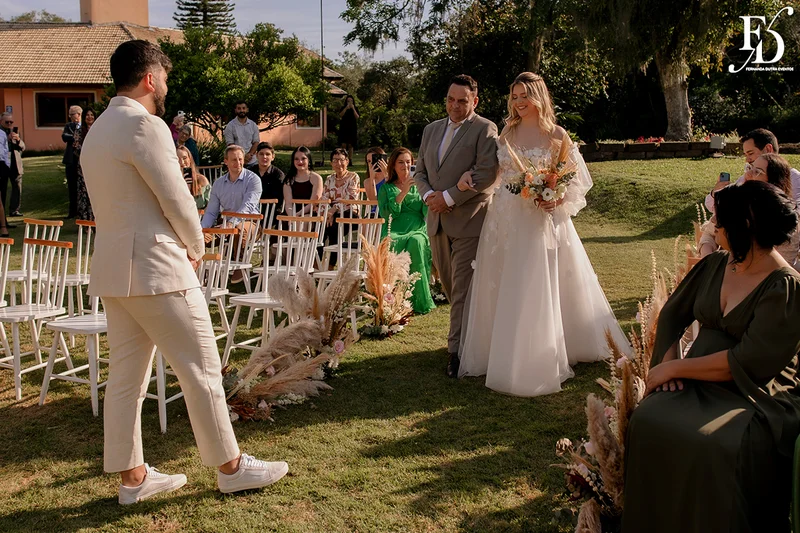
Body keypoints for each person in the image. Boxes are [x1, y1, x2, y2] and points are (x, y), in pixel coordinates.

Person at [80, 40, 287, 505]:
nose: (167, 86)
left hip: (115, 271)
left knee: (126, 380)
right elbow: (176, 198)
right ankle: (231, 468)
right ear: (150, 78)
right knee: (202, 369)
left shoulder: (95, 132)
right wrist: (196, 247)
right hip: (159, 268)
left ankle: (133, 478)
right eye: (165, 77)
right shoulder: (144, 126)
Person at [623, 180, 800, 533]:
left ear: (744, 225)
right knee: (647, 420)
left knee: (712, 443)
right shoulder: (716, 264)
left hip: (753, 392)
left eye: (719, 222)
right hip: (692, 377)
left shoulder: (786, 286)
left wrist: (676, 367)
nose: (713, 228)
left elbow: (747, 362)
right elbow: (673, 314)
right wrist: (666, 366)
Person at [457, 72, 628, 396]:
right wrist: (470, 176)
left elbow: (575, 179)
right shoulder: (507, 131)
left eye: (525, 96)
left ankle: (543, 351)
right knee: (506, 281)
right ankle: (503, 349)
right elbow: (499, 175)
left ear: (539, 97)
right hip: (505, 218)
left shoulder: (556, 135)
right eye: (515, 97)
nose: (519, 103)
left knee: (540, 281)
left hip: (541, 218)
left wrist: (557, 196)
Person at [414, 74, 499, 378]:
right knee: (451, 288)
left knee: (462, 289)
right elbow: (420, 171)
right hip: (435, 221)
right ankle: (470, 338)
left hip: (469, 222)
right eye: (451, 99)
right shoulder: (431, 130)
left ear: (475, 101)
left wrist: (449, 198)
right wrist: (429, 197)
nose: (455, 105)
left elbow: (487, 174)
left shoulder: (485, 129)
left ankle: (456, 354)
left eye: (463, 100)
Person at [700, 153, 800, 268]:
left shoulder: (786, 219)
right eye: (749, 167)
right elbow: (709, 233)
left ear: (774, 183)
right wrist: (707, 260)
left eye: (757, 171)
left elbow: (781, 267)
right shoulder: (736, 204)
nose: (748, 174)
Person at [379, 147, 436, 314]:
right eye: (401, 162)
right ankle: (395, 299)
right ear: (394, 165)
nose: (405, 166)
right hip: (394, 228)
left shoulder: (420, 185)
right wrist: (403, 192)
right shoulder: (387, 188)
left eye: (409, 162)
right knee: (393, 241)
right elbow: (388, 213)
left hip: (417, 227)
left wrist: (427, 197)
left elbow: (426, 211)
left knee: (416, 241)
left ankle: (419, 300)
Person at [201, 145, 262, 282]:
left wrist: (231, 223)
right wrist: (203, 229)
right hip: (225, 224)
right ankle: (200, 271)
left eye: (240, 159)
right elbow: (211, 211)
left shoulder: (253, 180)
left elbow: (247, 207)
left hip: (250, 222)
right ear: (226, 161)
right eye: (234, 160)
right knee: (200, 237)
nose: (238, 163)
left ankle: (239, 264)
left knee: (238, 229)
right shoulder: (218, 183)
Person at [705, 128, 800, 213]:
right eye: (746, 155)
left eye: (750, 153)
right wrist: (716, 193)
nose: (747, 159)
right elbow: (712, 206)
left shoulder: (794, 177)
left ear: (768, 149)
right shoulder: (748, 176)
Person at [322, 148, 360, 267]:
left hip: (349, 213)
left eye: (341, 160)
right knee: (320, 227)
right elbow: (324, 197)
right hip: (332, 214)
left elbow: (351, 198)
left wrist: (333, 210)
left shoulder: (353, 177)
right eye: (335, 160)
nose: (339, 163)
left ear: (347, 161)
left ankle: (331, 264)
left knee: (334, 227)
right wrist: (328, 212)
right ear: (331, 163)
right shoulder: (329, 179)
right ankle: (317, 263)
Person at [246, 141, 285, 223]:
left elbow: (280, 201)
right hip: (250, 212)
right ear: (256, 155)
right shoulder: (249, 173)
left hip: (270, 214)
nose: (264, 157)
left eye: (267, 154)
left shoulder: (278, 175)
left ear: (273, 157)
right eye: (261, 154)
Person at [282, 146, 323, 216]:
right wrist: (291, 217)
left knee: (301, 223)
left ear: (309, 160)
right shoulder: (289, 179)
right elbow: (288, 204)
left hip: (309, 213)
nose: (300, 162)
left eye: (303, 158)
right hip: (291, 213)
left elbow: (313, 203)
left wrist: (297, 215)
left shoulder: (316, 178)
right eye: (296, 159)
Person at [74, 108, 96, 221]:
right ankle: (85, 221)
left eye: (92, 115)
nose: (90, 117)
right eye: (87, 115)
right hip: (83, 166)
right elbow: (76, 148)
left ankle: (95, 221)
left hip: (96, 167)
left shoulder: (99, 130)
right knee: (84, 194)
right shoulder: (79, 131)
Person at [0, 112, 24, 217]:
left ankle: (14, 210)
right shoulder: (1, 133)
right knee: (3, 189)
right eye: (7, 122)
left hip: (15, 162)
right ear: (1, 121)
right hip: (3, 163)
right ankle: (2, 213)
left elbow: (23, 147)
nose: (9, 123)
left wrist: (18, 140)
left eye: (11, 121)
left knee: (17, 187)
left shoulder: (15, 131)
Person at [223, 101, 260, 166]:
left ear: (247, 110)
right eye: (239, 108)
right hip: (237, 162)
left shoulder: (253, 125)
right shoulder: (230, 126)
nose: (241, 110)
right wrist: (241, 157)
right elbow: (230, 145)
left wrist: (249, 155)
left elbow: (256, 142)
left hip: (253, 161)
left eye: (243, 108)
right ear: (235, 110)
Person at [62, 105, 82, 218]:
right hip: (71, 160)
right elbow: (65, 137)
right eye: (69, 115)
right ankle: (72, 211)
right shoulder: (69, 126)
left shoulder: (84, 126)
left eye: (72, 114)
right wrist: (75, 136)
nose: (70, 117)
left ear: (79, 115)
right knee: (72, 186)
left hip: (81, 159)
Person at [177, 145, 210, 209]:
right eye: (178, 159)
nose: (182, 162)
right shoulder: (173, 182)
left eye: (184, 158)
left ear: (190, 159)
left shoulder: (201, 180)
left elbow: (211, 205)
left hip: (201, 217)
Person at [338, 95, 359, 161]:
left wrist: (353, 108)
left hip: (352, 128)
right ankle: (344, 158)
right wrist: (346, 108)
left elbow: (357, 117)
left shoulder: (355, 108)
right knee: (343, 144)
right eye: (348, 101)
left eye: (351, 101)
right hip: (344, 127)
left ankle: (350, 160)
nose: (350, 102)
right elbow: (340, 115)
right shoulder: (343, 108)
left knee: (351, 144)